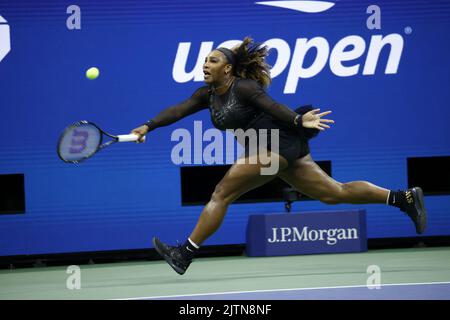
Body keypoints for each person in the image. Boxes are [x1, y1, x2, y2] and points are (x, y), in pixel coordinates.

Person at [131, 37, 427, 275]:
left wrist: (299, 121)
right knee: (334, 193)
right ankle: (403, 198)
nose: (206, 64)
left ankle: (185, 254)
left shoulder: (244, 87)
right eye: (205, 60)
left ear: (228, 69)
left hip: (273, 145)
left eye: (213, 60)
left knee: (221, 193)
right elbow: (177, 110)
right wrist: (148, 125)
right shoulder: (205, 94)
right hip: (279, 147)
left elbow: (272, 107)